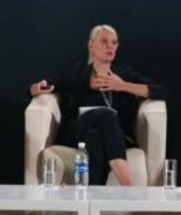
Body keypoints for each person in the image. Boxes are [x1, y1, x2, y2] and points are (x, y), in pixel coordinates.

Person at [29, 24, 167, 186]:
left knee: (95, 137)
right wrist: (36, 88)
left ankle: (89, 197)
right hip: (77, 130)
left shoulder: (124, 75)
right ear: (91, 45)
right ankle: (130, 188)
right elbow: (40, 86)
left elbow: (161, 91)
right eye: (104, 41)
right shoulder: (77, 72)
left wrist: (121, 85)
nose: (110, 46)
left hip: (113, 134)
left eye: (114, 42)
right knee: (106, 114)